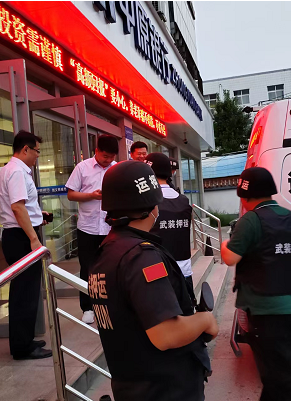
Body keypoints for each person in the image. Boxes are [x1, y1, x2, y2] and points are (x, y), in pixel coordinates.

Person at [89, 160, 218, 401]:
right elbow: (166, 333)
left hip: (133, 386)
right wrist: (205, 320)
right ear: (152, 207)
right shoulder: (141, 256)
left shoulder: (106, 251)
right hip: (167, 389)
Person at [221, 167, 291, 401]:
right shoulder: (290, 217)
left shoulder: (250, 220)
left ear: (244, 197)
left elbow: (230, 258)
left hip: (265, 312)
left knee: (281, 380)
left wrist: (225, 244)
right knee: (276, 374)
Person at [0, 130, 52, 360]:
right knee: (24, 294)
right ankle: (22, 347)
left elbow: (22, 207)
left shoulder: (11, 169)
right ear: (26, 149)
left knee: (25, 292)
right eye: (36, 151)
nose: (38, 155)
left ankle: (25, 340)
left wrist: (39, 216)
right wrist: (34, 238)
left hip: (18, 234)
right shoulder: (17, 172)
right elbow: (17, 208)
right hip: (21, 238)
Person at [66, 134, 118, 324]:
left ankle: (111, 304)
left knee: (111, 267)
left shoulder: (117, 169)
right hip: (87, 227)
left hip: (110, 227)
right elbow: (71, 195)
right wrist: (91, 196)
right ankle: (87, 308)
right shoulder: (82, 167)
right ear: (96, 151)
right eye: (105, 156)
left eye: (111, 157)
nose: (108, 160)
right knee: (87, 268)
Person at [146, 152, 196, 305]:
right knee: (186, 311)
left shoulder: (148, 202)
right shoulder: (183, 200)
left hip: (155, 270)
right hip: (184, 269)